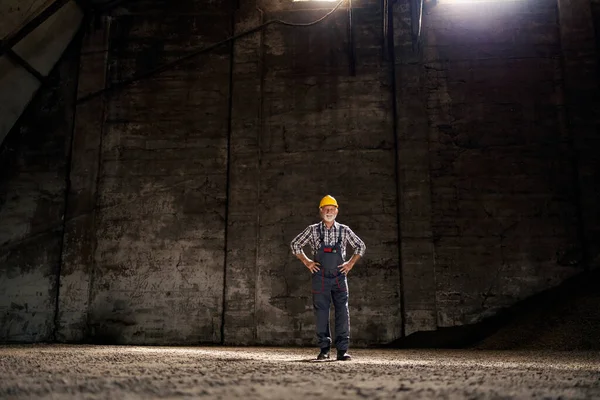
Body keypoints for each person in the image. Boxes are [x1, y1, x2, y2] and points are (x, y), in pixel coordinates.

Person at [290, 195, 366, 361]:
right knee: (322, 314)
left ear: (337, 211)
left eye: (332, 209)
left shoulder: (344, 230)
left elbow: (361, 246)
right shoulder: (312, 230)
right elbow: (295, 244)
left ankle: (342, 351)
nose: (329, 211)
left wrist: (350, 263)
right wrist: (307, 261)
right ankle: (324, 350)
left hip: (339, 276)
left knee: (342, 313)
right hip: (320, 277)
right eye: (326, 209)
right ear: (321, 211)